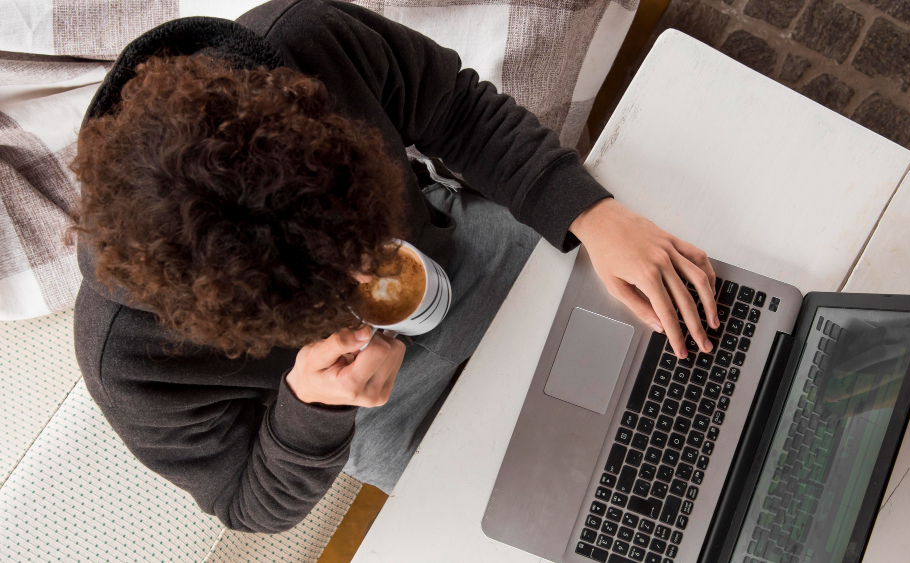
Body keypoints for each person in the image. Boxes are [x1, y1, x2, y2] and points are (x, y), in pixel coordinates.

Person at [72, 0, 720, 534]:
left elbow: (457, 110)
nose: (371, 286)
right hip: (364, 402)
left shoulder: (308, 42)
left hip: (457, 252)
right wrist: (311, 407)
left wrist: (590, 214)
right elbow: (248, 504)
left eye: (363, 248)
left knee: (677, 353)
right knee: (574, 519)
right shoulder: (127, 361)